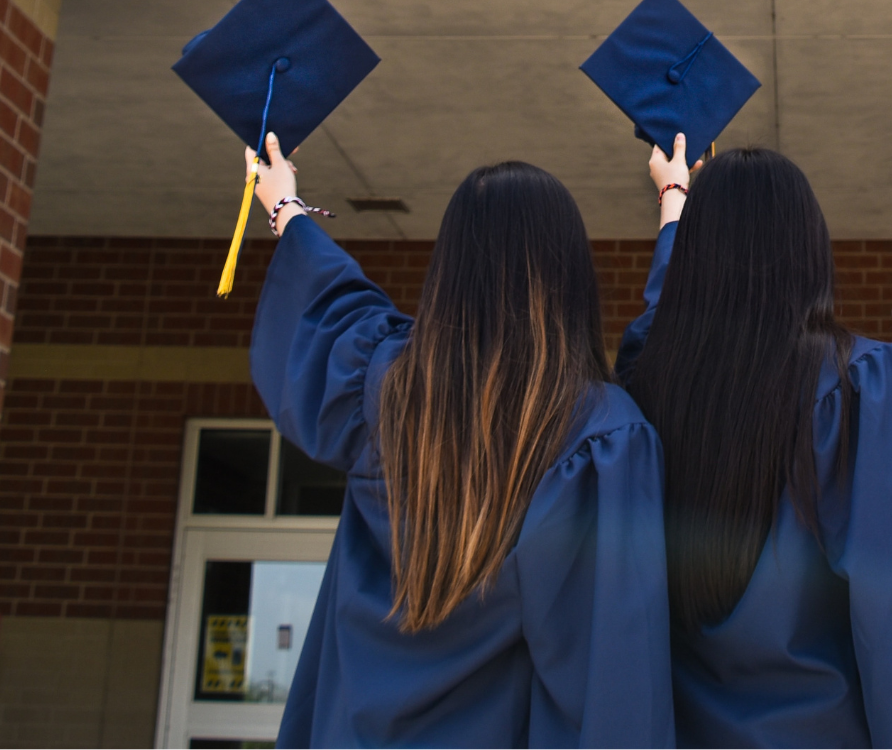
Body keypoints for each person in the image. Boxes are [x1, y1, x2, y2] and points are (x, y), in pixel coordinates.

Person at [617, 134, 892, 749]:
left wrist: (676, 204)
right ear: (809, 251)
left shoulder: (645, 395)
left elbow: (660, 321)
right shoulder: (863, 388)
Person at [245, 136, 675, 747]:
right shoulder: (596, 436)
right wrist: (673, 205)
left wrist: (284, 205)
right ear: (571, 274)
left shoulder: (384, 392)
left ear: (449, 269)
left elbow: (332, 303)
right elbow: (614, 677)